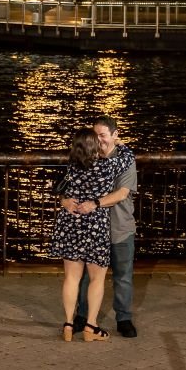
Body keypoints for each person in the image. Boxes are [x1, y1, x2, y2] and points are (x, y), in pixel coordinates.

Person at [67, 115, 138, 337]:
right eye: (95, 135)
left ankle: (123, 318)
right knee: (88, 275)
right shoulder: (92, 156)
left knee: (122, 275)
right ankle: (84, 317)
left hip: (118, 225)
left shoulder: (124, 160)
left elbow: (122, 193)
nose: (99, 140)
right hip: (93, 226)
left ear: (115, 135)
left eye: (103, 135)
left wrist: (94, 203)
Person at [53, 128, 116, 342]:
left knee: (71, 277)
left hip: (70, 222)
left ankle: (69, 325)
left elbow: (60, 188)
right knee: (97, 279)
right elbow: (125, 157)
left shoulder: (71, 166)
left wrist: (64, 200)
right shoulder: (107, 166)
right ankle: (91, 326)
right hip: (95, 223)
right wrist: (116, 142)